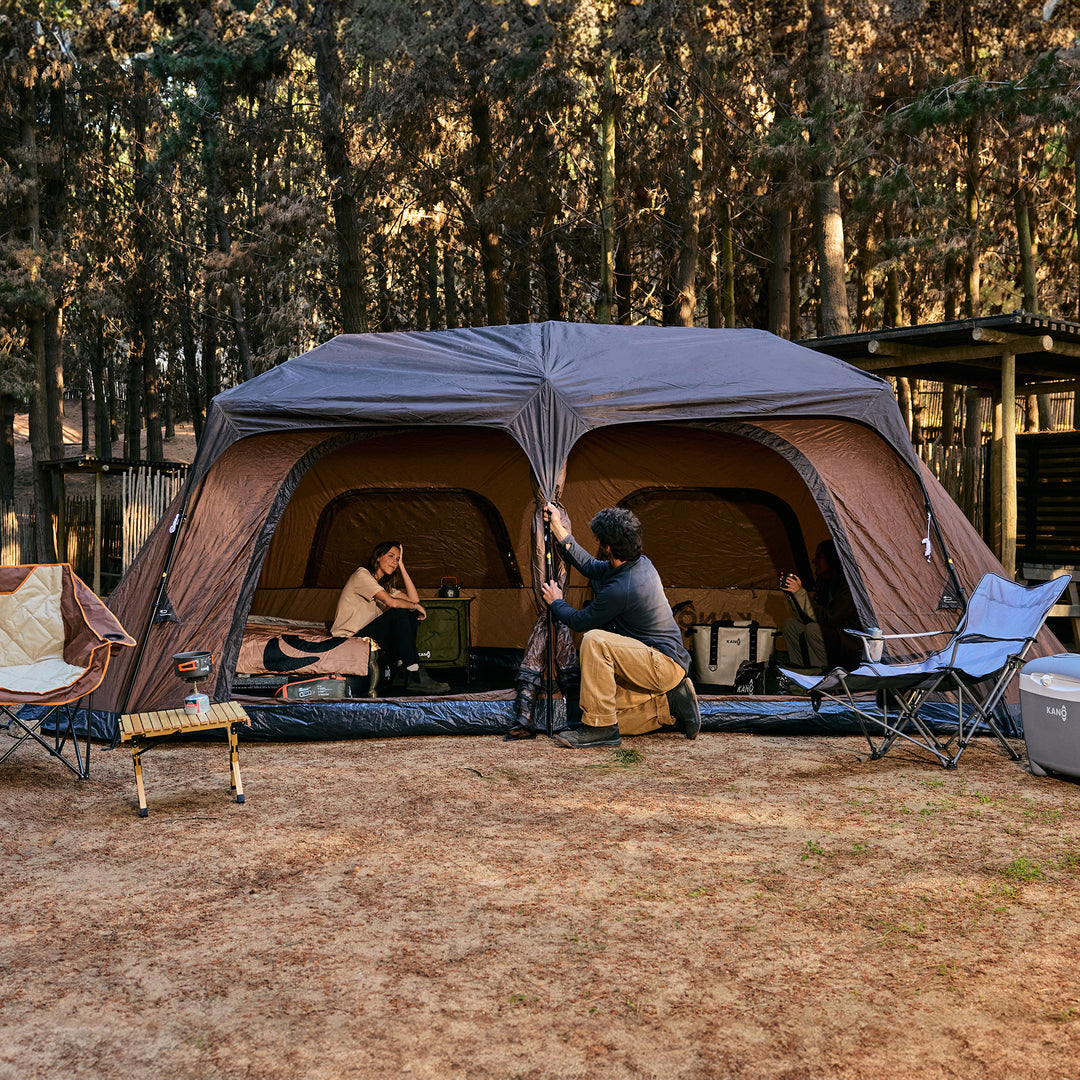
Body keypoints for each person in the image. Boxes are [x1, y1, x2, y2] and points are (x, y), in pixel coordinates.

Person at [540, 503, 700, 748]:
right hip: (661, 665)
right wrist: (560, 530)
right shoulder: (639, 564)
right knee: (604, 709)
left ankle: (600, 729)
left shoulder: (622, 588)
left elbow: (581, 621)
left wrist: (556, 602)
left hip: (662, 666)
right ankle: (671, 702)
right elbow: (592, 568)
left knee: (594, 640)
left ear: (607, 548)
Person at [331, 540, 450, 695]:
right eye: (391, 556)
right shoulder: (362, 575)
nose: (394, 562)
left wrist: (402, 566)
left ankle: (403, 669)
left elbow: (414, 601)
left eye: (397, 559)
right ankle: (413, 671)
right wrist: (415, 606)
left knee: (410, 612)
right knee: (398, 612)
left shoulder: (383, 586)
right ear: (378, 557)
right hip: (349, 639)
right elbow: (392, 603)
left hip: (368, 638)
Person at [780, 539, 862, 673]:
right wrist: (793, 596)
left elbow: (830, 618)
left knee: (813, 629)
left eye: (819, 557)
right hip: (831, 636)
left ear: (832, 558)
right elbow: (809, 618)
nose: (814, 561)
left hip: (850, 640)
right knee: (791, 625)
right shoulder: (826, 584)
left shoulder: (849, 587)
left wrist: (800, 593)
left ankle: (820, 676)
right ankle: (799, 673)